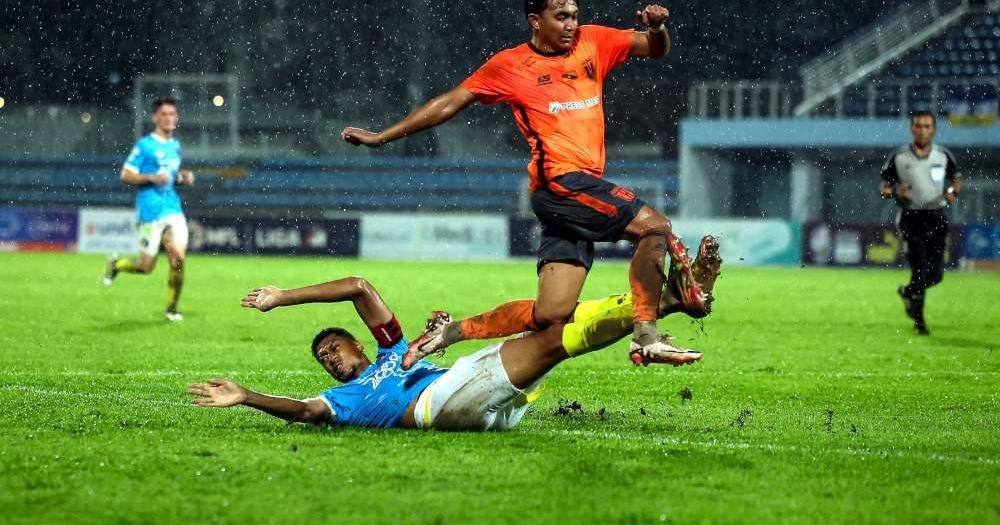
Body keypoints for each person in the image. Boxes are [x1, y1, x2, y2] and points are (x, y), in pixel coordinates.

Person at [341, 0, 708, 367]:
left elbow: (654, 49)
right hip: (560, 184)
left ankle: (448, 333)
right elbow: (450, 103)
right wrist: (382, 137)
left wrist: (657, 28)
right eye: (560, 16)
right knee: (655, 227)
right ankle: (646, 336)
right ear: (535, 20)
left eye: (574, 16)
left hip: (577, 190)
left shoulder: (594, 41)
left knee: (551, 315)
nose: (570, 24)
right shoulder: (510, 65)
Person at [187, 247, 722, 431]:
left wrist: (283, 297)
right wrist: (247, 397)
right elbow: (304, 411)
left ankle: (662, 306)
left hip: (488, 409)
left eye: (333, 347)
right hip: (437, 404)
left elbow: (356, 285)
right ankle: (669, 301)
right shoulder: (345, 401)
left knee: (554, 331)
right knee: (551, 336)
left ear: (359, 343)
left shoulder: (392, 349)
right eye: (323, 359)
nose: (329, 359)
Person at [102, 97, 195, 321]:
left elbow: (171, 176)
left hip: (172, 209)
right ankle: (117, 265)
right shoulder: (145, 146)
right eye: (164, 114)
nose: (169, 118)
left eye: (172, 114)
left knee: (178, 259)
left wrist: (183, 177)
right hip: (149, 211)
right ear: (155, 117)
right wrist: (151, 177)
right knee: (146, 267)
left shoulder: (175, 146)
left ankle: (172, 309)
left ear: (177, 118)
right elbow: (125, 174)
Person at [879, 110, 961, 335]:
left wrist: (953, 192)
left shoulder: (943, 155)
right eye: (918, 126)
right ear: (911, 129)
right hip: (911, 218)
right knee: (920, 270)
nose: (923, 130)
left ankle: (908, 292)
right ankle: (920, 323)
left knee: (936, 275)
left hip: (936, 216)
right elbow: (884, 188)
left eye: (927, 126)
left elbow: (955, 181)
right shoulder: (899, 157)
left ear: (933, 130)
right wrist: (895, 190)